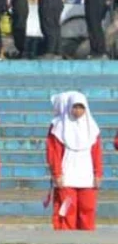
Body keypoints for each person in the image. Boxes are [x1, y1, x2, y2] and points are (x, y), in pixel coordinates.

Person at [46, 92, 102, 230]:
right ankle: (65, 239)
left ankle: (87, 241)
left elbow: (97, 153)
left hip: (86, 175)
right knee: (67, 209)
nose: (78, 110)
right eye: (75, 107)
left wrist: (98, 173)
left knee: (87, 208)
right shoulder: (59, 127)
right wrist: (57, 174)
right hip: (67, 176)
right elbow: (54, 153)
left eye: (81, 107)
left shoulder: (92, 128)